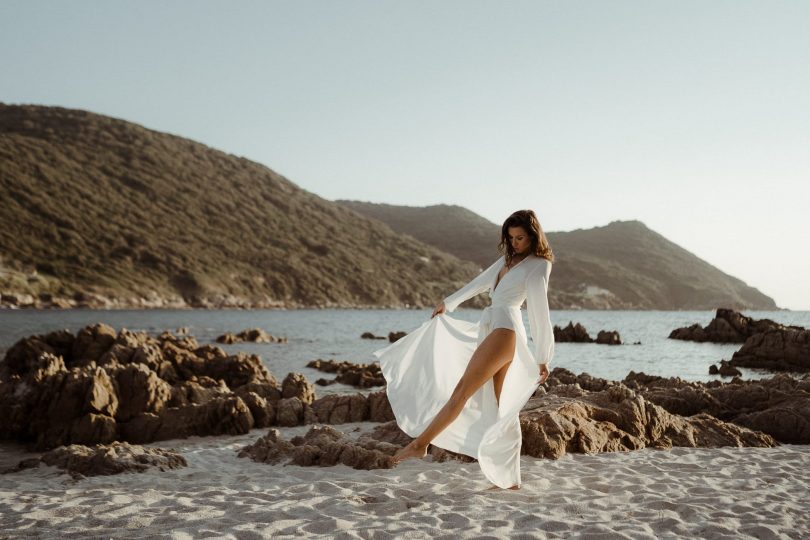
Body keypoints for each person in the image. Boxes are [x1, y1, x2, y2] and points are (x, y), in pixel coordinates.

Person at [373, 209, 556, 490]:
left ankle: (420, 444)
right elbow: (480, 283)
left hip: (506, 331)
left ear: (533, 235)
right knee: (501, 408)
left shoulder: (539, 265)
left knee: (461, 391)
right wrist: (450, 302)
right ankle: (510, 479)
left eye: (521, 238)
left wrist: (544, 355)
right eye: (511, 238)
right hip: (493, 328)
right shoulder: (507, 260)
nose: (516, 242)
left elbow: (539, 312)